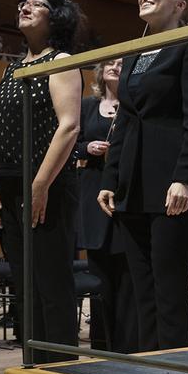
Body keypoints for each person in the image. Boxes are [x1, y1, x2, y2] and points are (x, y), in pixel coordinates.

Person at [98, 0, 188, 352]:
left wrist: (185, 177)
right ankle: (149, 369)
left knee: (169, 288)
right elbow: (125, 121)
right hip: (133, 185)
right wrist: (110, 179)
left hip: (170, 184)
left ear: (180, 4)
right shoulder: (133, 54)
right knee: (141, 289)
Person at [0, 0, 83, 364]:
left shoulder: (61, 61)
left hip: (46, 187)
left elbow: (69, 126)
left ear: (55, 18)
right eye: (24, 1)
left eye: (36, 4)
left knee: (51, 283)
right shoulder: (13, 68)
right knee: (25, 286)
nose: (25, 6)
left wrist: (39, 183)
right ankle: (35, 371)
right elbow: (3, 125)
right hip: (9, 188)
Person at [77, 59, 136, 352]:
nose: (114, 67)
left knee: (126, 270)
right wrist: (87, 147)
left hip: (125, 191)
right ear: (100, 72)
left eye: (121, 64)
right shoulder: (88, 105)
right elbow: (71, 142)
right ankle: (100, 343)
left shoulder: (134, 104)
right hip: (92, 191)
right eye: (110, 63)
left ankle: (125, 344)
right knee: (98, 272)